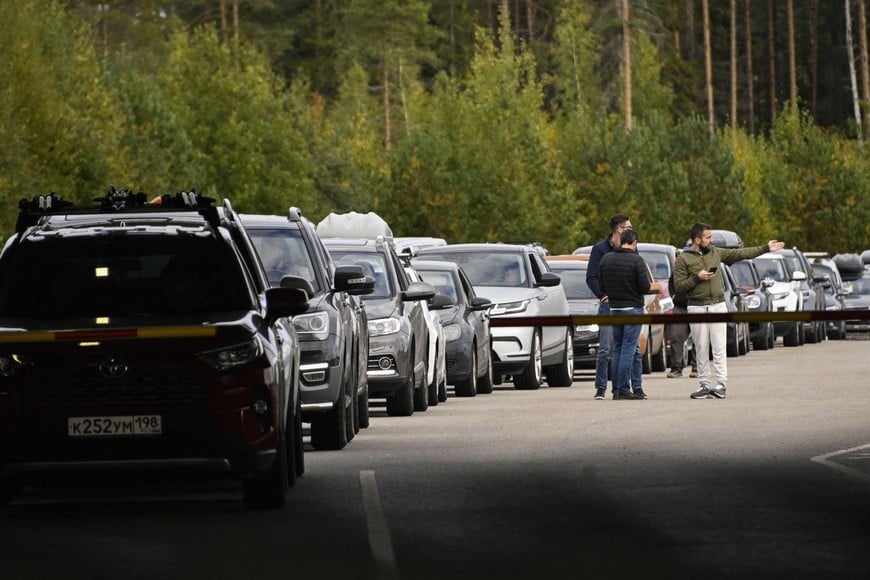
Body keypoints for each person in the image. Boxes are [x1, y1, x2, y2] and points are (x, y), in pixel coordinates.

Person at [673, 223, 785, 399]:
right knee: (701, 347)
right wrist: (697, 277)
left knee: (719, 346)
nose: (712, 240)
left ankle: (721, 384)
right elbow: (679, 287)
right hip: (696, 306)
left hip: (718, 305)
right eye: (708, 237)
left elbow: (740, 253)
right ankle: (703, 385)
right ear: (697, 240)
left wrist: (766, 248)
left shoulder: (716, 252)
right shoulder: (683, 259)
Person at [598, 228, 651, 400]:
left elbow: (602, 285)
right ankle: (623, 389)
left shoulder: (606, 259)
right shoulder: (636, 260)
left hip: (614, 309)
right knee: (629, 347)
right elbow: (645, 287)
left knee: (618, 349)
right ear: (634, 243)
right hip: (633, 309)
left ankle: (616, 390)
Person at [586, 214, 633, 400]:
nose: (631, 230)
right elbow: (591, 277)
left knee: (625, 349)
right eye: (628, 227)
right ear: (619, 229)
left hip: (626, 305)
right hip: (608, 305)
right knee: (605, 349)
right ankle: (600, 387)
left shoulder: (630, 248)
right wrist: (602, 295)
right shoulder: (599, 250)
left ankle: (621, 388)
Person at [666, 269, 697, 378]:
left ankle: (697, 368)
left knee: (699, 337)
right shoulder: (680, 266)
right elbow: (671, 281)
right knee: (676, 337)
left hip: (697, 305)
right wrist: (674, 295)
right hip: (680, 307)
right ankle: (676, 368)